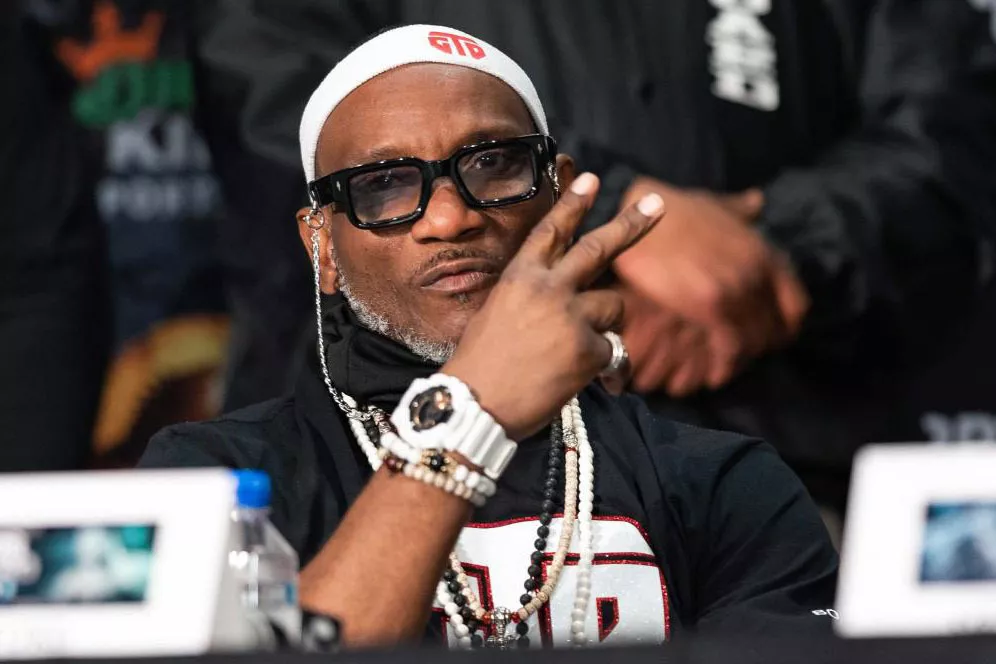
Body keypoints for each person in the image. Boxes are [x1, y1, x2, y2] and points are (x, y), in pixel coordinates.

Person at [141, 25, 838, 649]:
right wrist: (469, 416)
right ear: (322, 245)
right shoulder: (216, 478)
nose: (450, 218)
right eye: (383, 185)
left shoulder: (723, 481)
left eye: (493, 164)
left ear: (562, 196)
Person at [191, 1, 996, 515]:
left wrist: (779, 250)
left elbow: (952, 129)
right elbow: (283, 110)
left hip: (791, 450)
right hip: (381, 460)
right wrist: (617, 220)